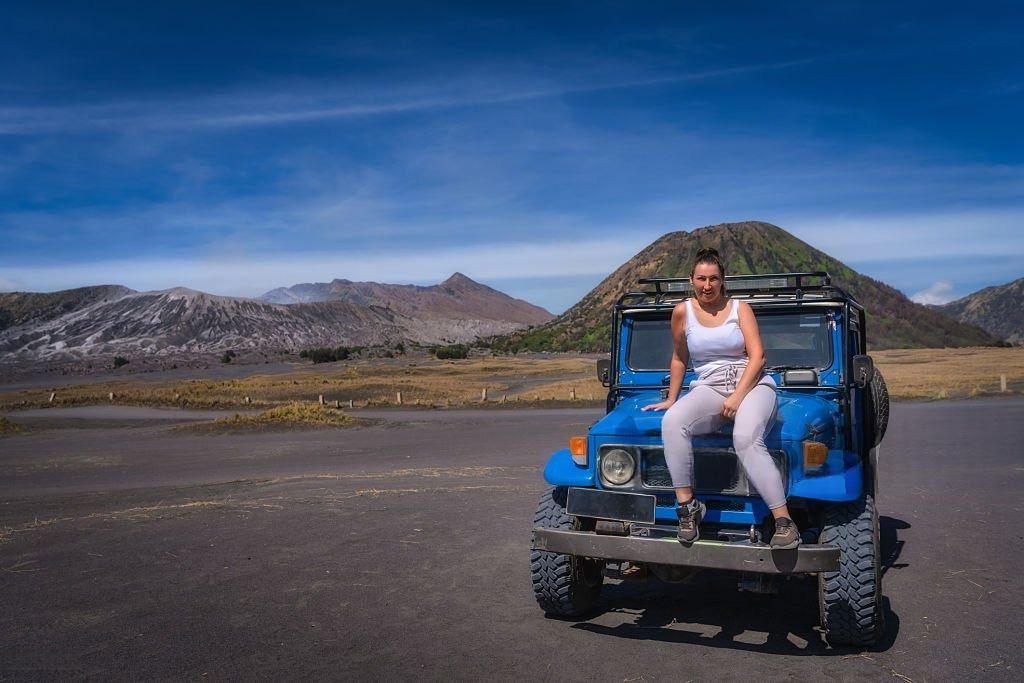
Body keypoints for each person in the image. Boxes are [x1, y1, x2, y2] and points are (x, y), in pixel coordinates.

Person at [642, 247, 800, 549]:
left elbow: (758, 357)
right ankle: (688, 508)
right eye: (701, 279)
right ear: (691, 279)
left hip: (752, 384)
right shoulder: (682, 313)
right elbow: (679, 358)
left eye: (713, 278)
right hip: (709, 386)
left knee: (745, 438)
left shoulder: (740, 308)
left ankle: (784, 522)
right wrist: (672, 398)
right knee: (672, 422)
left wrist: (738, 397)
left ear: (722, 280)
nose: (707, 285)